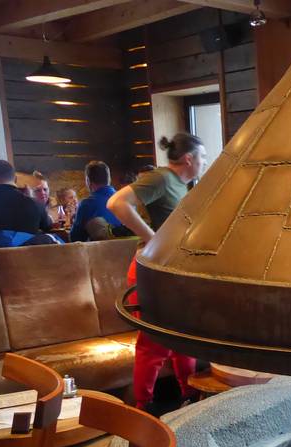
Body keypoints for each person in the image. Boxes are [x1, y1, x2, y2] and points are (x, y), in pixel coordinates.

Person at [107, 133, 207, 411]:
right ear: (189, 158)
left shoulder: (180, 186)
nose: (205, 162)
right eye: (203, 156)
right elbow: (116, 203)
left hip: (168, 272)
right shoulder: (162, 178)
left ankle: (190, 397)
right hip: (151, 272)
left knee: (181, 338)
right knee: (154, 343)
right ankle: (144, 408)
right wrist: (153, 240)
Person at [70, 161, 126, 242]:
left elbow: (76, 238)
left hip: (102, 249)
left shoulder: (87, 204)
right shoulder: (125, 199)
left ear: (88, 181)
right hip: (130, 248)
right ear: (109, 179)